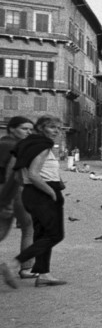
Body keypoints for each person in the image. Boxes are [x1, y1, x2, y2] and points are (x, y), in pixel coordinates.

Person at [5, 116, 68, 287]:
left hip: (30, 192)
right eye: (52, 127)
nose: (56, 131)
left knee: (42, 234)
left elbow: (16, 174)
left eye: (59, 128)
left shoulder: (24, 144)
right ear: (40, 128)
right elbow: (33, 174)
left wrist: (27, 189)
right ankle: (13, 264)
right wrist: (51, 192)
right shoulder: (43, 145)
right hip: (45, 192)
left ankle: (44, 274)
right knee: (55, 235)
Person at [0, 116, 36, 286]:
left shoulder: (2, 143)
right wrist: (6, 202)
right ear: (12, 129)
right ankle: (26, 268)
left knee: (3, 230)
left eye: (30, 129)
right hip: (12, 192)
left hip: (7, 192)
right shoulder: (16, 147)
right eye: (24, 129)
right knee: (29, 228)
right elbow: (11, 175)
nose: (28, 132)